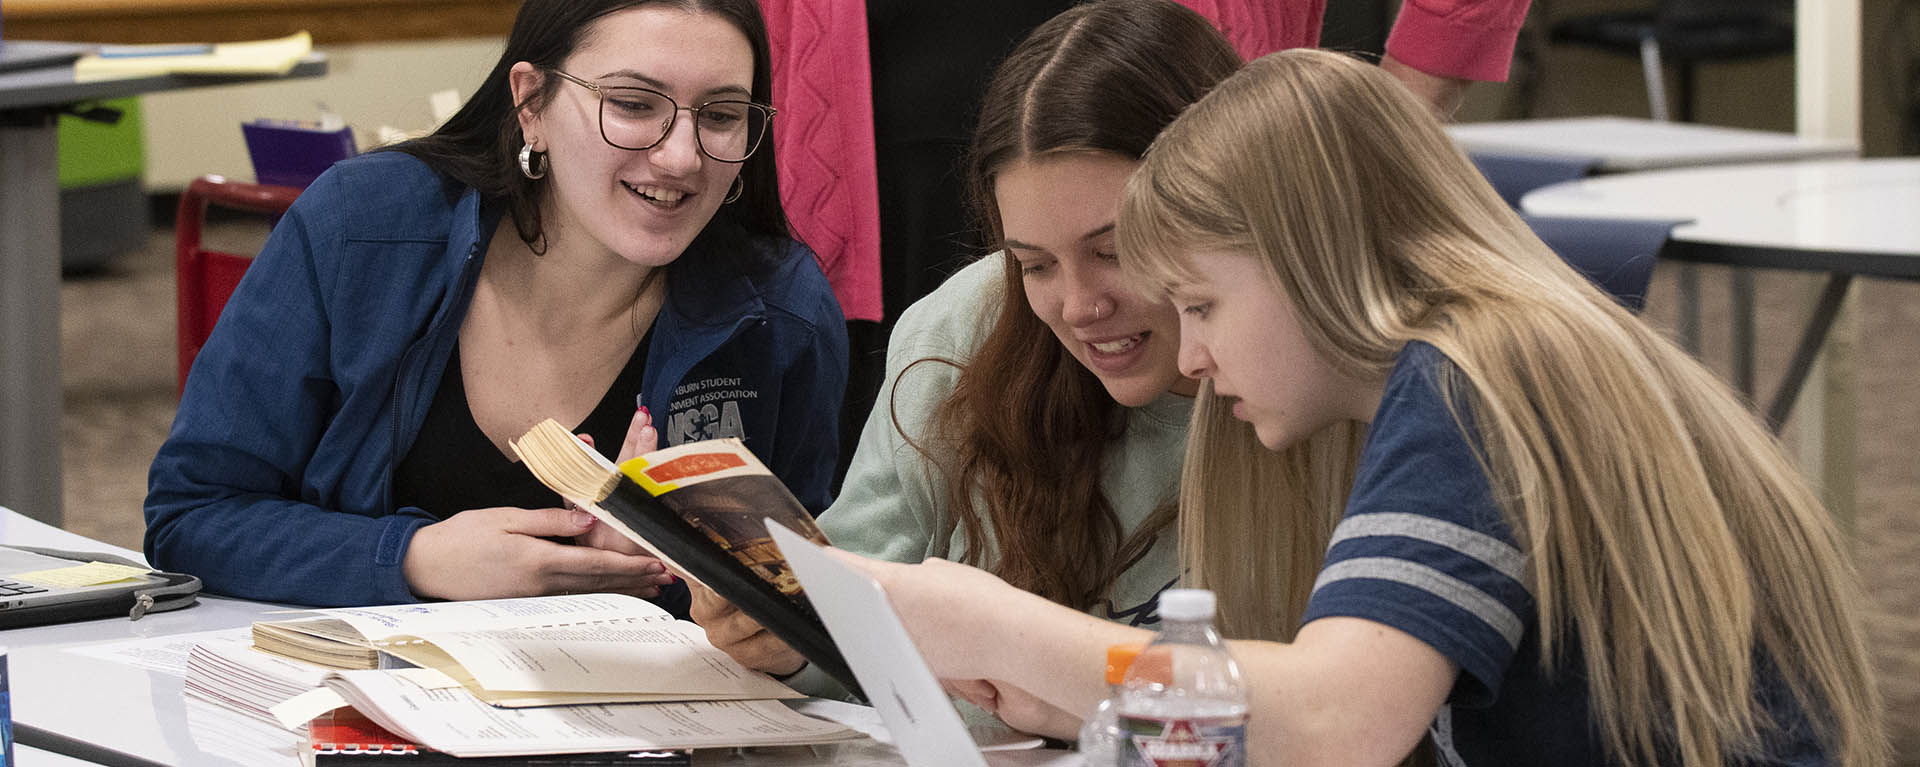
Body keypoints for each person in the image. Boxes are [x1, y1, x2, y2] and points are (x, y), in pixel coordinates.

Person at [827, 49, 1889, 766]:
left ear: (1306, 259)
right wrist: (1082, 699)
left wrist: (981, 617)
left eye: (1202, 302)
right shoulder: (1488, 360)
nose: (1191, 352)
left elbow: (1340, 717)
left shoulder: (1472, 379)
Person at [695, 0, 1530, 695]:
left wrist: (1002, 638)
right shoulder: (969, 327)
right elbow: (850, 601)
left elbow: (1334, 715)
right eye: (1033, 264)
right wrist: (792, 635)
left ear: (1221, 207)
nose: (1080, 305)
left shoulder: (1390, 393)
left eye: (1117, 248)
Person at [144, 0, 848, 609]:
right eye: (634, 105)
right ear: (531, 103)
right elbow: (193, 514)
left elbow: (804, 617)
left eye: (721, 115)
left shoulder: (779, 311)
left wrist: (667, 573)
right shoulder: (361, 227)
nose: (682, 157)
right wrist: (417, 557)